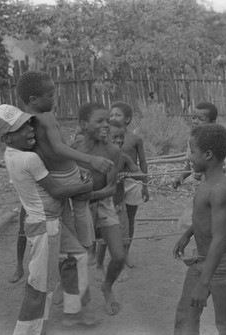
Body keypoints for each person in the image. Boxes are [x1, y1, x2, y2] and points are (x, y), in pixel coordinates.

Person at [0, 105, 95, 334]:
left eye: (28, 123)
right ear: (7, 137)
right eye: (21, 128)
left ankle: (73, 311)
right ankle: (26, 331)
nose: (29, 130)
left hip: (49, 223)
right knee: (39, 285)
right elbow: (56, 191)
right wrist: (85, 186)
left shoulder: (13, 154)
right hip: (45, 226)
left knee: (78, 256)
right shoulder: (29, 160)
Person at [9, 70, 112, 284]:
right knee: (81, 209)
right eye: (51, 94)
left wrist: (77, 164)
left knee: (65, 217)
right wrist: (90, 160)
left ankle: (74, 253)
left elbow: (46, 150)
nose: (55, 98)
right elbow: (56, 147)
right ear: (33, 100)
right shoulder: (43, 117)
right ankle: (84, 247)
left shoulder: (28, 120)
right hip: (62, 177)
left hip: (57, 175)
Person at [173, 123, 226, 335]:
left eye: (192, 151)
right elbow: (204, 220)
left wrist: (204, 283)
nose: (189, 157)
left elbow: (219, 239)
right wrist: (187, 235)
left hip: (221, 267)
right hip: (203, 261)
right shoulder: (207, 183)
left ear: (207, 154)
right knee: (185, 316)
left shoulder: (219, 190)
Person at [76, 102, 126, 316]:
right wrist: (82, 198)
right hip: (78, 204)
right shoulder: (74, 149)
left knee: (118, 256)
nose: (106, 125)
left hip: (101, 202)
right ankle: (69, 289)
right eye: (100, 121)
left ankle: (107, 286)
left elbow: (111, 188)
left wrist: (92, 196)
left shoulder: (112, 151)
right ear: (83, 125)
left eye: (107, 120)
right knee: (75, 256)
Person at [95, 119, 142, 283]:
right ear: (104, 137)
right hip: (103, 205)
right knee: (102, 241)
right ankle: (99, 266)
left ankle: (118, 268)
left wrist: (128, 175)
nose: (119, 140)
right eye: (114, 137)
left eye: (121, 137)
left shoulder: (124, 158)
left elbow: (140, 175)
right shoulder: (97, 158)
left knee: (122, 238)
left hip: (119, 204)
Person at [109, 101, 148, 268]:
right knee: (113, 219)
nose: (113, 117)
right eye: (111, 115)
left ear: (128, 119)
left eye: (117, 115)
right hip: (113, 182)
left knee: (130, 220)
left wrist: (145, 185)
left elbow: (143, 163)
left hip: (132, 182)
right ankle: (114, 254)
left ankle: (126, 253)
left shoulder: (135, 139)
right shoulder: (106, 138)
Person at [172, 102, 218, 189]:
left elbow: (222, 168)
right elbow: (190, 163)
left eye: (201, 119)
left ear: (212, 122)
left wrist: (204, 173)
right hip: (199, 187)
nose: (195, 122)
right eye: (193, 118)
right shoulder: (192, 139)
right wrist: (182, 176)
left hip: (214, 186)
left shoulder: (215, 140)